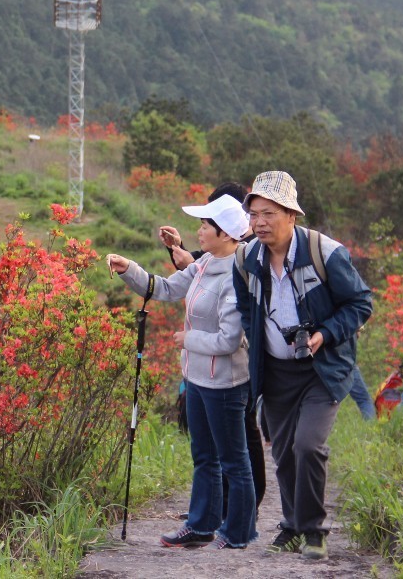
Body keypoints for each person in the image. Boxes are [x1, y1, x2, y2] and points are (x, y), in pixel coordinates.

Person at [232, 171, 372, 561]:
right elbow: (246, 308)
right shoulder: (246, 258)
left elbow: (360, 304)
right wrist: (256, 338)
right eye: (254, 214)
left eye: (269, 213)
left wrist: (324, 334)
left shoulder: (324, 253)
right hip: (275, 370)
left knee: (308, 445)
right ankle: (293, 525)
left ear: (292, 215)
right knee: (284, 453)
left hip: (322, 368)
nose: (259, 222)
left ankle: (313, 530)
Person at [106, 194, 258, 550]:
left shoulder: (236, 275)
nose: (199, 231)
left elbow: (229, 340)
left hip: (225, 383)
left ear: (224, 234)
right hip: (197, 378)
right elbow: (165, 287)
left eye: (205, 226)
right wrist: (129, 269)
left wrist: (188, 339)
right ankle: (201, 525)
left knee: (234, 460)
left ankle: (238, 533)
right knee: (203, 456)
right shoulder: (204, 265)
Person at [158, 183, 267, 513]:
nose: (205, 225)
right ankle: (219, 506)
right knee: (221, 440)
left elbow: (218, 274)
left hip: (239, 361)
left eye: (209, 221)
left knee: (241, 436)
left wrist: (188, 339)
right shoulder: (229, 249)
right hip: (215, 363)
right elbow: (206, 266)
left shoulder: (250, 251)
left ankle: (242, 506)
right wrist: (184, 254)